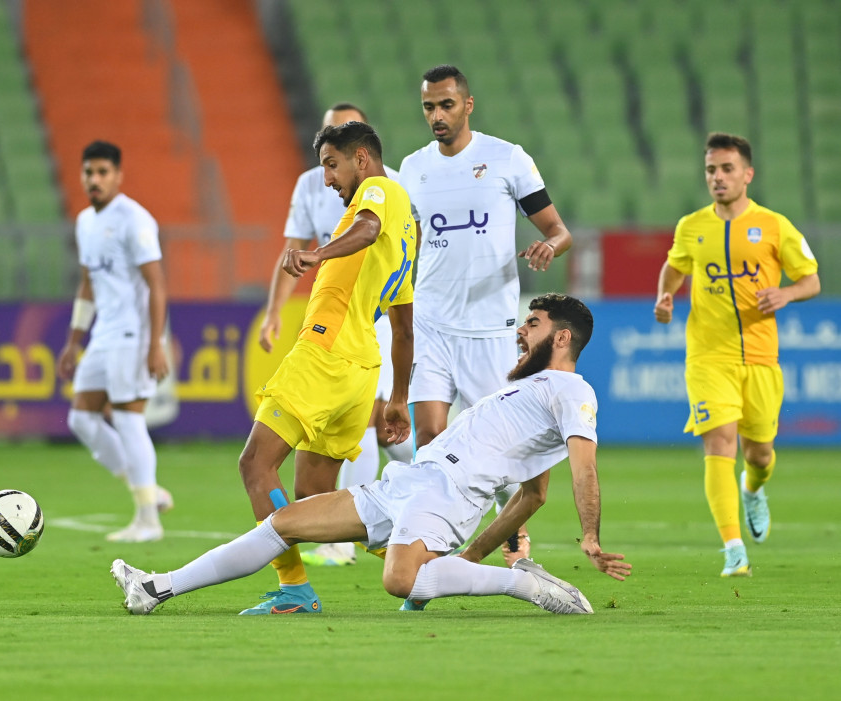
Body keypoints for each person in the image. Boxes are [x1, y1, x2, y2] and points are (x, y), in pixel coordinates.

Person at [111, 294, 632, 616]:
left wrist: (589, 535)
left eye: (534, 323)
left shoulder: (572, 392)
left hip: (448, 496)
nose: (522, 329)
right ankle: (157, 588)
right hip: (410, 481)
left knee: (399, 580)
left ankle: (522, 585)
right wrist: (472, 556)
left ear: (563, 337)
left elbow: (582, 469)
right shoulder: (527, 387)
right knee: (282, 523)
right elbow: (532, 494)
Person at [231, 121, 415, 614]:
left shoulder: (377, 193)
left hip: (326, 353)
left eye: (332, 166)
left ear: (361, 158)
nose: (328, 181)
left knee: (255, 463)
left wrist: (316, 253)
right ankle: (422, 559)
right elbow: (402, 327)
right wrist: (397, 398)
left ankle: (294, 589)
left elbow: (366, 227)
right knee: (315, 495)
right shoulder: (406, 229)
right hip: (362, 370)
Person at [398, 64, 575, 568]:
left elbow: (559, 229)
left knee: (507, 447)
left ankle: (510, 527)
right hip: (431, 322)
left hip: (490, 330)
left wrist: (549, 247)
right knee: (431, 436)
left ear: (467, 105)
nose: (437, 115)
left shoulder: (506, 159)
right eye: (429, 106)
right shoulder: (413, 169)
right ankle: (431, 536)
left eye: (446, 105)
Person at [654, 132, 820, 577]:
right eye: (711, 170)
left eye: (727, 169)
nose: (718, 177)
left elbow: (811, 279)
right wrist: (665, 296)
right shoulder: (691, 226)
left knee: (759, 453)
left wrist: (785, 294)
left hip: (761, 360)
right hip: (708, 357)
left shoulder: (775, 225)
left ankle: (753, 489)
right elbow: (675, 264)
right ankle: (733, 550)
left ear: (748, 174)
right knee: (719, 443)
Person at [56, 140, 172, 543]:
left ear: (118, 176)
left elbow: (156, 284)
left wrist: (155, 342)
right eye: (89, 172)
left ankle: (148, 521)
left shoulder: (135, 220)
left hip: (133, 334)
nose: (95, 179)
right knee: (81, 418)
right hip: (103, 334)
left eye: (103, 172)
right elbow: (88, 283)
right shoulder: (85, 221)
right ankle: (148, 492)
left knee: (127, 418)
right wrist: (74, 341)